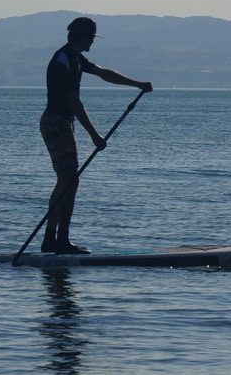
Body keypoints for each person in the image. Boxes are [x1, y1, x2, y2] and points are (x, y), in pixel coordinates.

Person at [40, 17, 152, 254]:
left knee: (65, 180)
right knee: (70, 180)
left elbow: (103, 74)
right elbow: (74, 102)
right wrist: (94, 135)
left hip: (60, 122)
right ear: (82, 36)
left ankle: (51, 239)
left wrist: (137, 84)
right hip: (57, 123)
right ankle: (61, 241)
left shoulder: (74, 57)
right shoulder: (65, 60)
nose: (93, 41)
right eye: (91, 37)